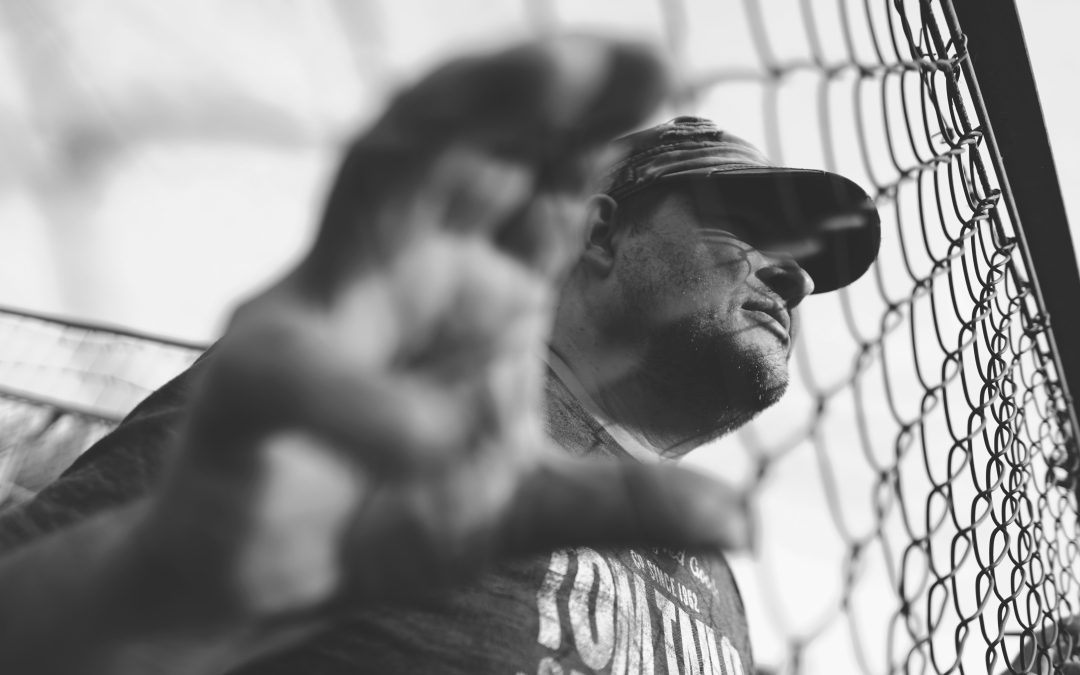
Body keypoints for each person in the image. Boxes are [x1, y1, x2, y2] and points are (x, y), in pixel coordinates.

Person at [0, 37, 879, 675]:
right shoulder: (377, 401)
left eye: (807, 259)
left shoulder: (712, 573)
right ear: (599, 231)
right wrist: (144, 572)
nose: (796, 276)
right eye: (749, 228)